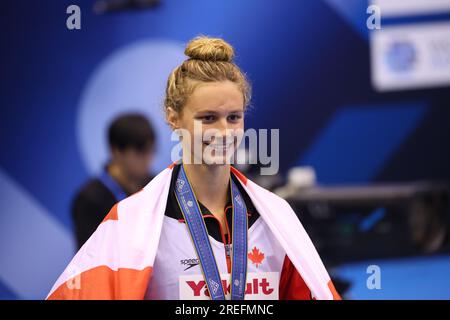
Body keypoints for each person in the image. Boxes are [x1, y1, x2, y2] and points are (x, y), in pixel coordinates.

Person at [47, 36, 341, 300]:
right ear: (173, 117)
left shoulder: (276, 217)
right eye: (208, 118)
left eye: (234, 117)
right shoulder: (129, 223)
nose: (224, 132)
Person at [72, 113, 156, 249]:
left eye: (151, 150)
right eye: (140, 151)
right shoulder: (89, 200)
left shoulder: (156, 186)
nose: (148, 159)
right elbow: (89, 258)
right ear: (116, 151)